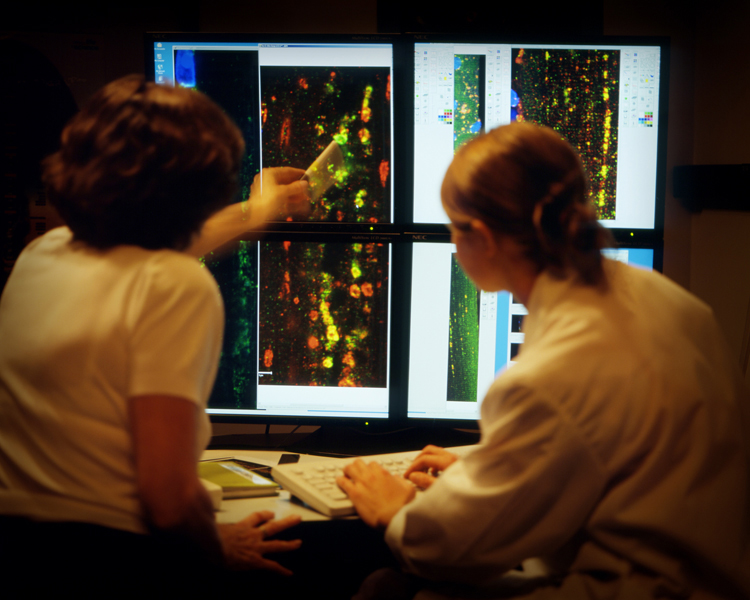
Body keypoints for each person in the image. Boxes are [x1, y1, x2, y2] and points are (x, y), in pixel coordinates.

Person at [337, 122, 750, 599]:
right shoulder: (666, 299)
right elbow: (613, 465)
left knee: (386, 587)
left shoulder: (550, 374)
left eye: (454, 225)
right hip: (715, 576)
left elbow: (447, 549)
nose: (451, 242)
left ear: (484, 238)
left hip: (638, 589)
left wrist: (399, 508)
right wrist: (500, 473)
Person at [0, 75, 310, 596]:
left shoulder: (43, 253)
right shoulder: (175, 283)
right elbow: (167, 500)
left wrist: (259, 213)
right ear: (202, 189)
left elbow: (139, 259)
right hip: (111, 559)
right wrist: (218, 547)